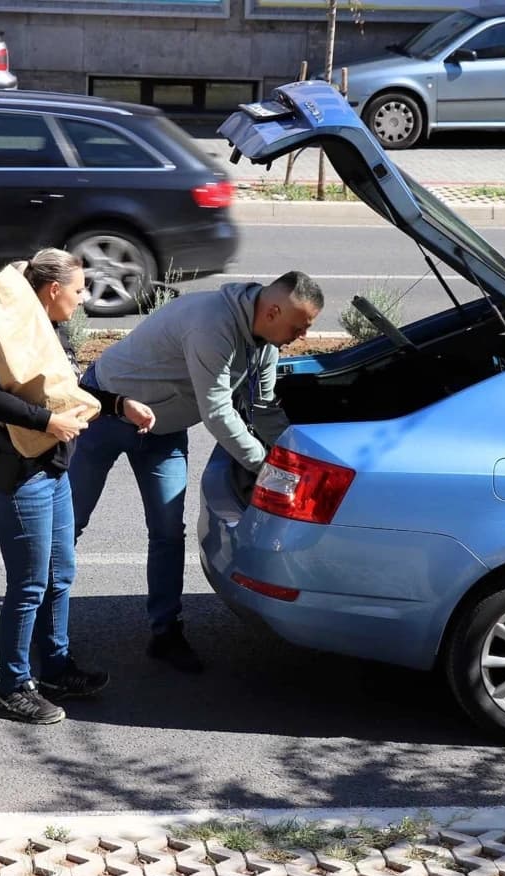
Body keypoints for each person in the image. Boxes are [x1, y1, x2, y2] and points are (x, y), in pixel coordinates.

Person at [70, 271, 324, 674]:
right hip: (108, 411)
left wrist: (289, 459)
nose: (303, 335)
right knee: (69, 524)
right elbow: (217, 411)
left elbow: (264, 409)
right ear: (273, 310)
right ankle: (45, 633)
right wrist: (264, 467)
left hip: (163, 430)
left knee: (169, 532)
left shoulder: (267, 342)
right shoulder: (213, 322)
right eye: (300, 326)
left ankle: (166, 632)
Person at [0, 248, 157, 724]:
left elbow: (68, 391)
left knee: (60, 577)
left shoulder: (47, 330)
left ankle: (55, 668)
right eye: (78, 290)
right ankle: (12, 689)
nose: (83, 298)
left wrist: (118, 405)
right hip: (21, 480)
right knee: (30, 585)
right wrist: (47, 421)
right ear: (53, 290)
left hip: (53, 475)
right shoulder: (14, 333)